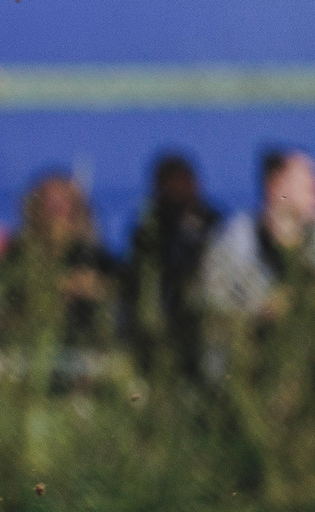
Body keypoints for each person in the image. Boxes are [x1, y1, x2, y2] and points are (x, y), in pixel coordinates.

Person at [0, 172, 119, 356]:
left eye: (65, 205)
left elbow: (125, 293)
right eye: (50, 205)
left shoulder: (95, 258)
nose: (57, 213)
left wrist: (98, 289)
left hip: (85, 353)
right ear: (34, 210)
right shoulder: (15, 257)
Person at [125, 151, 220, 376]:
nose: (178, 190)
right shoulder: (148, 228)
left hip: (200, 316)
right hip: (158, 319)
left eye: (183, 182)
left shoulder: (212, 222)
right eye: (171, 183)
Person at [202, 147, 315, 322]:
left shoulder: (311, 239)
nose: (312, 187)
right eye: (304, 179)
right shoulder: (236, 240)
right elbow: (214, 302)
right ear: (276, 184)